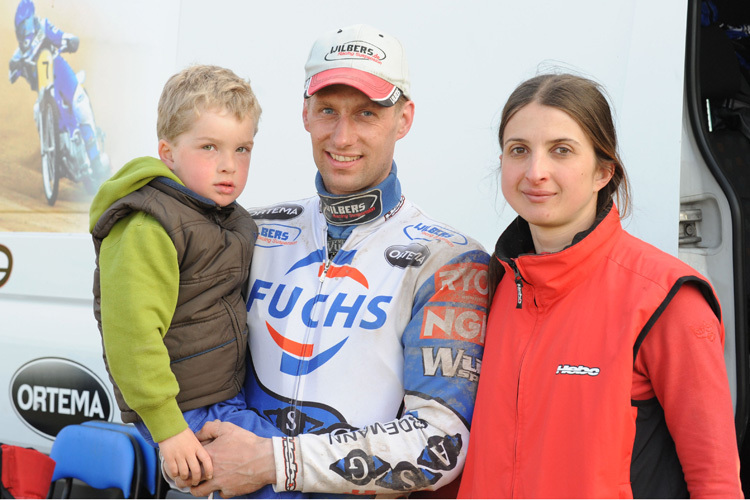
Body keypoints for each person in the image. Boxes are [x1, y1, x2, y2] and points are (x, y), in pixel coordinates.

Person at [181, 24, 490, 498]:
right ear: (305, 113)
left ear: (404, 119)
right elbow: (179, 360)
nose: (342, 136)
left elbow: (441, 444)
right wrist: (187, 459)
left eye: (366, 113)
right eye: (328, 110)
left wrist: (276, 462)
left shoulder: (449, 259)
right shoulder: (250, 230)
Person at [457, 73, 743, 498]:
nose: (536, 172)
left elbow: (715, 481)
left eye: (561, 151)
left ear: (602, 172)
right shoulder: (487, 287)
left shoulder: (666, 297)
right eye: (519, 150)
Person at [90, 64, 262, 487]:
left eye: (242, 149)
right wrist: (169, 428)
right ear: (167, 152)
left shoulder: (227, 218)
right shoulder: (149, 226)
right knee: (284, 485)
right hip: (187, 407)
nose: (229, 166)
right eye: (209, 147)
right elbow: (132, 336)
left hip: (224, 394)